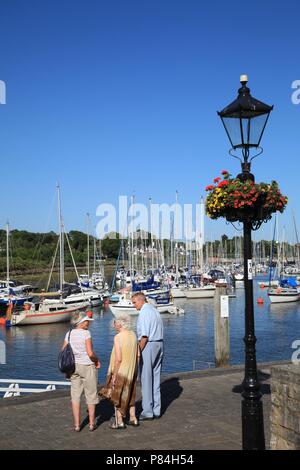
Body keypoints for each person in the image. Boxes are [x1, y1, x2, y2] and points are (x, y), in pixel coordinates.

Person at [61, 311, 101, 432]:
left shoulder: (69, 333)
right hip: (87, 366)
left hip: (73, 367)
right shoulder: (86, 334)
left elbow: (63, 350)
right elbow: (90, 353)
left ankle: (77, 425)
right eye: (87, 321)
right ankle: (92, 424)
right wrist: (97, 360)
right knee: (91, 395)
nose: (88, 323)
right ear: (82, 322)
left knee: (75, 396)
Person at [100, 314, 139, 429]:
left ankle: (119, 421)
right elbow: (138, 355)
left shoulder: (118, 337)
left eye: (115, 322)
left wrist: (114, 375)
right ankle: (133, 418)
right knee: (131, 393)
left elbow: (118, 359)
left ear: (120, 324)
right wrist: (137, 370)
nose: (114, 324)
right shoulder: (133, 335)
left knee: (117, 395)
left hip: (122, 370)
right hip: (132, 369)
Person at [133, 292, 164, 420]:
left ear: (141, 300)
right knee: (156, 378)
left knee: (146, 379)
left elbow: (144, 336)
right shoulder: (154, 310)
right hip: (160, 344)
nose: (134, 306)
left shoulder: (144, 313)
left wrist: (138, 351)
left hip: (149, 345)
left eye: (134, 302)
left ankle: (147, 411)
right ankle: (157, 409)